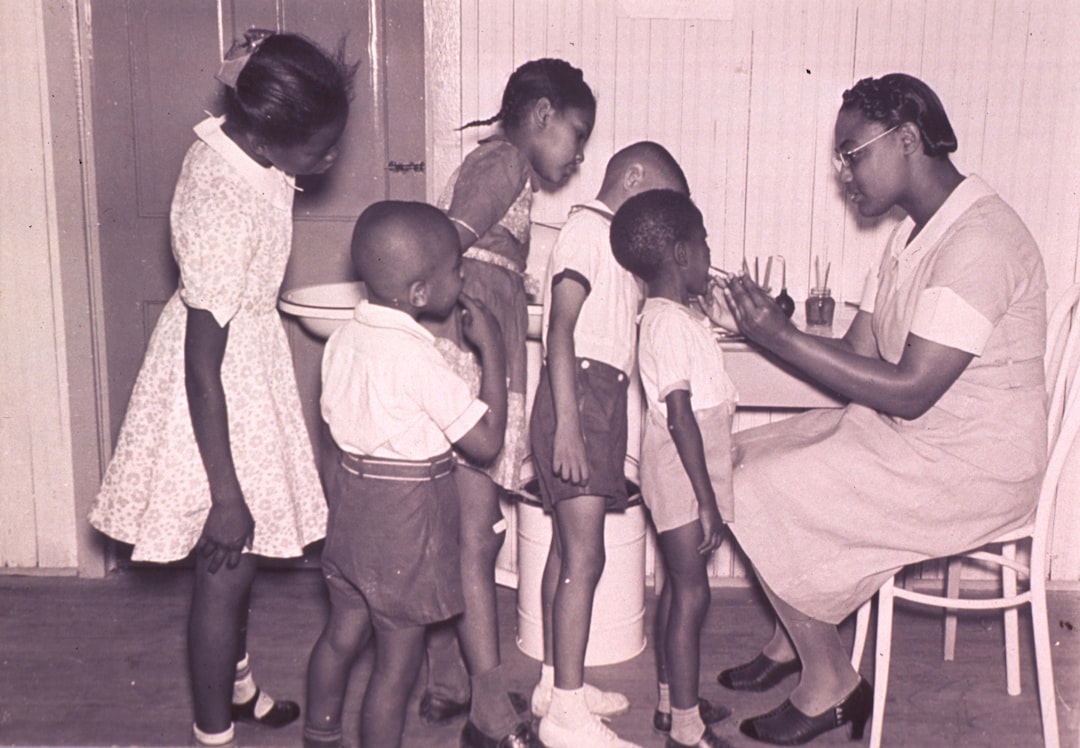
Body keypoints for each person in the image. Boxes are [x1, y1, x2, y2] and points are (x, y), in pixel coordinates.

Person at [718, 73, 1047, 745]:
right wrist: (764, 327)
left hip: (975, 462)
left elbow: (909, 388)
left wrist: (777, 338)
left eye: (853, 152)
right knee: (734, 458)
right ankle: (795, 639)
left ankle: (831, 682)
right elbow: (857, 353)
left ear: (907, 140)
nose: (844, 172)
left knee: (750, 485)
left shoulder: (976, 241)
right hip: (921, 437)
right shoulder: (914, 234)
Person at [88, 30, 353, 748]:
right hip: (210, 395)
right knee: (227, 564)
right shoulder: (221, 199)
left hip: (247, 368)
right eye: (322, 149)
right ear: (269, 135)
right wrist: (226, 492)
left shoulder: (251, 148)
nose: (330, 161)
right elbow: (202, 369)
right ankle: (213, 734)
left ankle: (235, 686)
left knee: (245, 562)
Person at [417, 58, 598, 745]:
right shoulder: (506, 164)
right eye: (575, 135)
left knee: (463, 531)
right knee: (473, 535)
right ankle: (488, 706)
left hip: (471, 358)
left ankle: (452, 678)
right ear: (543, 114)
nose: (577, 154)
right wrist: (481, 342)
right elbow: (442, 251)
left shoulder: (499, 164)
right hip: (471, 365)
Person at [301, 201, 528, 748]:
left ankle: (320, 735)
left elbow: (335, 423)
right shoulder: (422, 360)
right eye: (456, 268)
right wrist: (491, 352)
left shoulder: (341, 342)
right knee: (396, 665)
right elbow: (486, 442)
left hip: (352, 513)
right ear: (421, 293)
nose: (464, 276)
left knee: (340, 637)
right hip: (404, 525)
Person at [528, 144, 690, 748]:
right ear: (635, 178)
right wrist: (570, 425)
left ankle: (554, 683)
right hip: (581, 403)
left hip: (596, 400)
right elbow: (560, 329)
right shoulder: (587, 232)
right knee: (586, 558)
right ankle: (565, 718)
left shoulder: (608, 244)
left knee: (566, 555)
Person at [609, 189, 736, 748]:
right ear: (683, 254)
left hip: (686, 466)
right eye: (705, 242)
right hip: (684, 470)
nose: (710, 253)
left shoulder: (673, 316)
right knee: (693, 595)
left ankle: (671, 701)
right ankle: (687, 729)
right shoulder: (665, 324)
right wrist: (706, 500)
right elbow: (682, 417)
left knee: (677, 588)